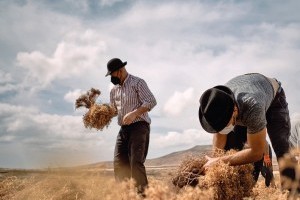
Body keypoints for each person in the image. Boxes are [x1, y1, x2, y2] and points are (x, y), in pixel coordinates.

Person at [198, 73, 291, 180]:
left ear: (234, 110)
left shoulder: (253, 108)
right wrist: (214, 163)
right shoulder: (217, 104)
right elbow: (219, 143)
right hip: (245, 104)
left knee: (282, 151)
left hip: (273, 99)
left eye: (225, 124)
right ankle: (248, 184)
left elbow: (256, 152)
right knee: (234, 149)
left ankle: (291, 192)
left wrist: (220, 161)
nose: (222, 129)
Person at [105, 58, 157, 196]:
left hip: (140, 126)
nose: (111, 77)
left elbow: (151, 101)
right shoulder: (113, 91)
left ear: (120, 71)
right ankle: (125, 195)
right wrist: (99, 113)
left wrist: (135, 113)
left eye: (112, 74)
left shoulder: (138, 82)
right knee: (119, 163)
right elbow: (113, 111)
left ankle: (143, 196)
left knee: (135, 163)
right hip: (124, 129)